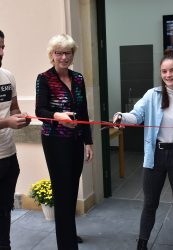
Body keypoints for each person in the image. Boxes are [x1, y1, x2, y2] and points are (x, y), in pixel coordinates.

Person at [113, 49, 173, 250]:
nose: (168, 75)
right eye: (164, 71)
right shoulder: (151, 95)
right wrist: (121, 116)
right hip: (155, 155)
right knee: (150, 203)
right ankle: (142, 243)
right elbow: (136, 116)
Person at [35, 34, 93, 250]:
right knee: (62, 190)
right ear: (52, 55)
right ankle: (66, 244)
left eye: (67, 52)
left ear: (72, 54)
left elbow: (84, 111)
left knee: (72, 187)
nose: (63, 57)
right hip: (55, 141)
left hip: (76, 140)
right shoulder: (44, 78)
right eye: (58, 53)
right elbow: (40, 111)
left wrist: (88, 142)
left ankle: (69, 230)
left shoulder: (78, 78)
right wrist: (57, 115)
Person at [0, 30, 31, 250]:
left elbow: (14, 109)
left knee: (4, 209)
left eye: (2, 47)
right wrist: (6, 123)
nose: (1, 52)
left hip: (9, 156)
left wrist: (22, 118)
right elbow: (6, 119)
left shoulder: (8, 76)